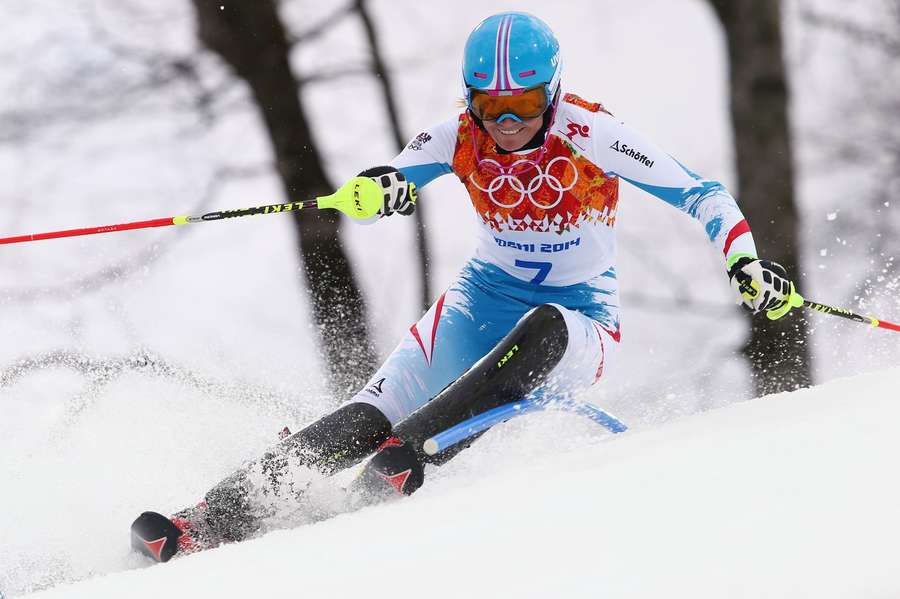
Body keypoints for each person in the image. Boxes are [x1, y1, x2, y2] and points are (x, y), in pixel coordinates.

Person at [131, 11, 803, 562]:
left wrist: (744, 262)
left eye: (523, 106)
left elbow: (702, 193)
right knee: (370, 411)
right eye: (492, 107)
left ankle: (408, 454)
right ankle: (207, 519)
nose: (507, 124)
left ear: (553, 93)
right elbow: (392, 177)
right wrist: (375, 190)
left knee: (545, 324)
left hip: (580, 324)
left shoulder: (590, 131)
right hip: (481, 301)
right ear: (471, 99)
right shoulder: (458, 135)